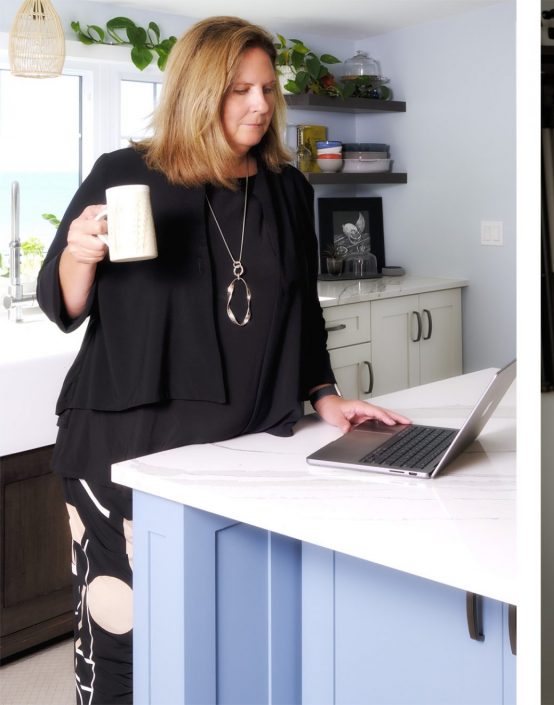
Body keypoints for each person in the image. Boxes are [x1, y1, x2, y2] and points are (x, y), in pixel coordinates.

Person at [37, 17, 409, 703]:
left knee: (220, 635)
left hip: (239, 453)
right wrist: (78, 254)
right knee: (123, 640)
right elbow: (62, 304)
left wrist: (326, 395)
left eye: (267, 89)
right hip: (124, 450)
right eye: (239, 89)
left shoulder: (288, 190)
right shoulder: (124, 175)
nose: (260, 105)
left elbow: (304, 314)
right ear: (197, 91)